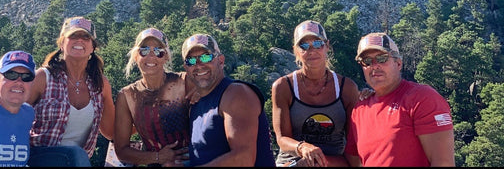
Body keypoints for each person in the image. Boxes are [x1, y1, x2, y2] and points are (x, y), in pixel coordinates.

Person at [344, 32, 455, 167]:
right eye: (367, 61)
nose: (374, 65)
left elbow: (443, 162)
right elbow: (352, 161)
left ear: (398, 63)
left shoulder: (423, 99)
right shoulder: (360, 110)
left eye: (382, 58)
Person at [27, 16, 115, 166]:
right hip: (39, 157)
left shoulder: (100, 84)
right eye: (73, 35)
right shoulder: (43, 78)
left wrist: (143, 122)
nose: (79, 40)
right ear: (62, 43)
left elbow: (110, 132)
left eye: (85, 37)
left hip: (77, 162)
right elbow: (12, 116)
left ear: (92, 47)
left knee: (76, 154)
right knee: (75, 153)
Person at [272, 20, 360, 167]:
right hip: (294, 161)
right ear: (296, 50)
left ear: (327, 46)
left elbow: (354, 144)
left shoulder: (347, 88)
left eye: (318, 44)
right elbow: (282, 139)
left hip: (333, 162)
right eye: (304, 46)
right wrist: (302, 148)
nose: (312, 50)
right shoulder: (283, 87)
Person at [182, 33, 275, 167]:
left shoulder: (236, 94)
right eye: (190, 61)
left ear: (220, 61)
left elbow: (244, 159)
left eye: (206, 57)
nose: (199, 65)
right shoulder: (196, 105)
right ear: (186, 68)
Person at [113, 27, 191, 166]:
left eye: (158, 51)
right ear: (136, 56)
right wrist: (158, 157)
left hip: (195, 159)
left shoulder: (184, 82)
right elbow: (121, 150)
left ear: (166, 56)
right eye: (144, 50)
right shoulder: (127, 96)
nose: (151, 56)